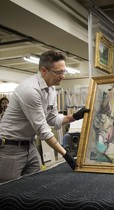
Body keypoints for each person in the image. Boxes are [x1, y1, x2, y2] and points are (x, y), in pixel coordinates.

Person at [0, 50, 89, 183]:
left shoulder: (51, 89)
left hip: (29, 145)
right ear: (44, 71)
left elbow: (52, 119)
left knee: (36, 184)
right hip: (10, 148)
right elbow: (43, 130)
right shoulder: (30, 90)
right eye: (59, 72)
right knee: (8, 191)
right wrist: (65, 154)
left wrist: (74, 117)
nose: (63, 76)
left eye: (64, 71)